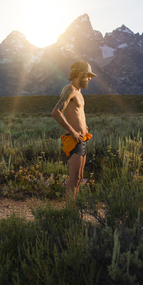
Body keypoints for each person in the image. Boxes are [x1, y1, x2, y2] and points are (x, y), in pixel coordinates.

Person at [51, 61, 96, 204]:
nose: (89, 79)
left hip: (82, 139)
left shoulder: (79, 92)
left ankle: (74, 208)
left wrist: (85, 128)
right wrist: (74, 132)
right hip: (74, 139)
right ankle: (70, 212)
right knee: (74, 177)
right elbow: (56, 112)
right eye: (88, 76)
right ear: (81, 74)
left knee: (79, 176)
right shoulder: (69, 90)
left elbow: (78, 114)